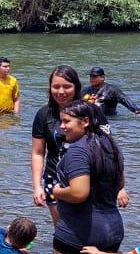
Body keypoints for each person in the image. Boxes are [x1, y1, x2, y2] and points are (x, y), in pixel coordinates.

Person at [49, 101, 127, 254]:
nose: (61, 127)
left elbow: (78, 192)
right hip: (111, 229)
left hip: (79, 230)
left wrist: (57, 191)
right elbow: (120, 184)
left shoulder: (77, 151)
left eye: (66, 121)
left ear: (85, 122)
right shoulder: (110, 146)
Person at [30, 66, 113, 220]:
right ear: (50, 88)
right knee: (62, 228)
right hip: (55, 179)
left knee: (91, 226)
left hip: (90, 179)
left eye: (67, 86)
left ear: (76, 87)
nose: (61, 92)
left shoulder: (92, 112)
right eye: (56, 87)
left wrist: (119, 187)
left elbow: (109, 150)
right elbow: (38, 152)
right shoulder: (44, 114)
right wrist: (36, 186)